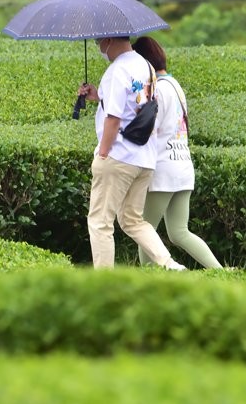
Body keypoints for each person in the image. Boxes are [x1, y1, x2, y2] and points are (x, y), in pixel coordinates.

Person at [77, 36, 186, 270]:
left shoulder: (117, 71)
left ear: (109, 40)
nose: (99, 47)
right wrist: (98, 96)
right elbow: (136, 104)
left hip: (119, 157)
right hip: (145, 157)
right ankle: (170, 265)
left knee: (100, 222)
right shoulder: (146, 66)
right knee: (131, 219)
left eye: (98, 43)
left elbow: (114, 120)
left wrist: (103, 154)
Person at [131, 36, 222, 269]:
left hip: (164, 169)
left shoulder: (160, 89)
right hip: (182, 165)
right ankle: (220, 272)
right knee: (179, 232)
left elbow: (153, 128)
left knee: (144, 229)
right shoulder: (174, 84)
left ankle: (147, 276)